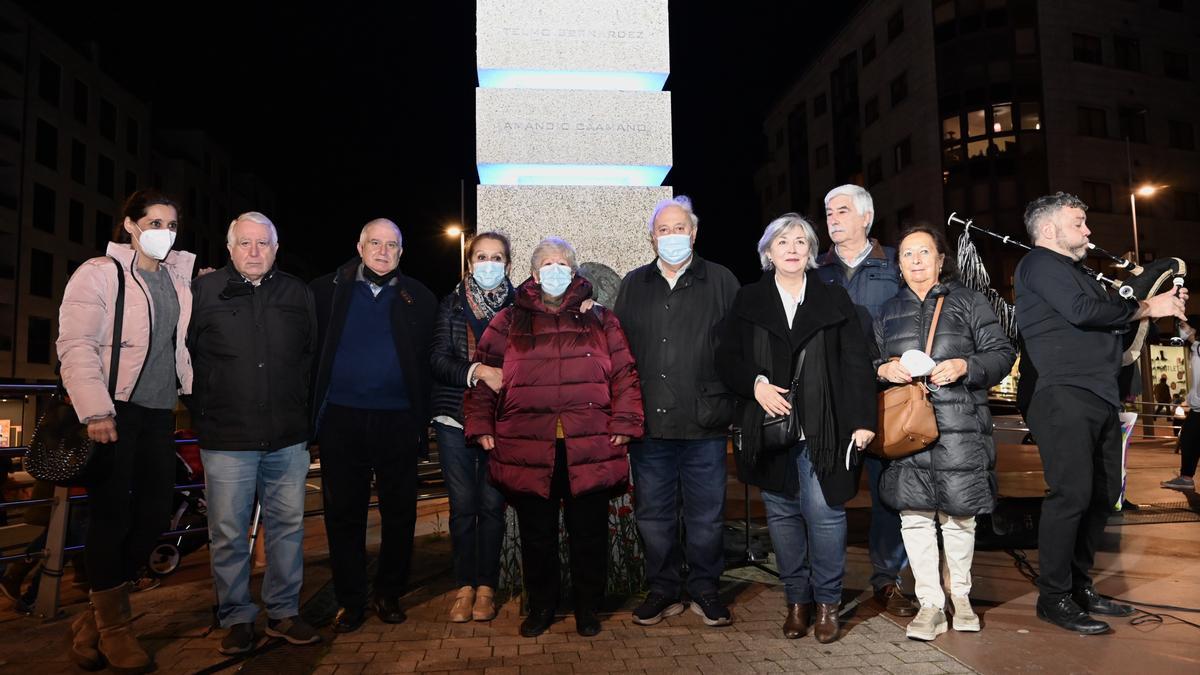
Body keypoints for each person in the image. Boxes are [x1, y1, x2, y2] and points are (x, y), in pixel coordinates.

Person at [1014, 192, 1188, 634]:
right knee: (1070, 494)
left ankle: (1079, 586)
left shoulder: (1079, 272)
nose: (1088, 231)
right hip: (1061, 394)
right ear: (1050, 230)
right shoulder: (1039, 264)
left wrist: (1153, 301)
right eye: (1079, 222)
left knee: (1101, 495)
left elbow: (1114, 315)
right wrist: (1150, 306)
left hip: (1099, 394)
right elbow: (1083, 311)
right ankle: (1053, 597)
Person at [463, 238, 644, 638]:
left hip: (589, 444)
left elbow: (624, 374)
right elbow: (484, 376)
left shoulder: (601, 319)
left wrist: (626, 424)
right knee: (537, 535)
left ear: (575, 271)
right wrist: (480, 426)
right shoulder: (509, 320)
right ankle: (543, 606)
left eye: (563, 263)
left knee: (589, 533)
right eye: (547, 263)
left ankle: (587, 607)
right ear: (533, 272)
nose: (555, 269)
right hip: (528, 444)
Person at [716, 214, 876, 644]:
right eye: (782, 241)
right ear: (768, 252)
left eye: (801, 241)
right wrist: (757, 384)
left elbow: (856, 362)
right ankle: (796, 603)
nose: (792, 248)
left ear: (810, 253)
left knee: (825, 515)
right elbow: (727, 357)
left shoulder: (834, 299)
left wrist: (863, 420)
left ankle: (827, 603)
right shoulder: (749, 300)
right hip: (770, 428)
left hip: (827, 429)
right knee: (783, 518)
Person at [57, 190, 191, 673]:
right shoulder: (100, 273)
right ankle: (115, 630)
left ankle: (93, 621)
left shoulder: (178, 279)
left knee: (157, 515)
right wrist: (95, 411)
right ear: (131, 225)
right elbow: (75, 344)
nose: (165, 232)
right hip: (113, 411)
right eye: (155, 222)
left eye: (173, 225)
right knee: (110, 518)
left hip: (159, 414)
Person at [874, 224, 1015, 640]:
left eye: (923, 253)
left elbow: (1003, 353)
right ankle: (930, 604)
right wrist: (883, 369)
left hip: (961, 428)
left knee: (959, 518)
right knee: (914, 517)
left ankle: (963, 598)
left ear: (940, 260)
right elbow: (866, 362)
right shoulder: (886, 311)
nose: (915, 262)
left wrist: (966, 366)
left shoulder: (969, 302)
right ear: (899, 265)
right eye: (907, 255)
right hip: (907, 431)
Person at [188, 211, 321, 654]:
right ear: (229, 248)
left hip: (287, 436)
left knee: (287, 529)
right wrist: (203, 408)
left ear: (276, 248)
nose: (254, 251)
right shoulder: (203, 291)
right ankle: (237, 616)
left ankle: (283, 612)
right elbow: (183, 355)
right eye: (245, 243)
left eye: (263, 243)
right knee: (227, 532)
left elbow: (311, 358)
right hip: (227, 437)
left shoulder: (297, 292)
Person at [613, 196, 740, 627]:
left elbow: (738, 348)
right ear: (652, 238)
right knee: (654, 516)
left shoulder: (721, 280)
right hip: (649, 426)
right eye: (663, 230)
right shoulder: (633, 284)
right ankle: (663, 587)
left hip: (704, 422)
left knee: (706, 516)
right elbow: (619, 351)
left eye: (679, 228)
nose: (672, 236)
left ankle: (705, 587)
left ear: (694, 233)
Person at [309, 219, 437, 632]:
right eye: (375, 243)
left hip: (398, 419)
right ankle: (351, 599)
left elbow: (430, 361)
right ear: (359, 246)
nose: (383, 251)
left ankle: (388, 592)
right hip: (341, 419)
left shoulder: (419, 296)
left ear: (402, 252)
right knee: (343, 515)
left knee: (399, 512)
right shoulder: (325, 290)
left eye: (392, 245)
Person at [815, 184, 914, 617]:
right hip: (828, 404)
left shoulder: (896, 265)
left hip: (886, 399)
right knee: (823, 500)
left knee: (888, 495)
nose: (832, 219)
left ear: (866, 218)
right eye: (827, 212)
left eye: (841, 211)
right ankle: (825, 590)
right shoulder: (815, 270)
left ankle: (887, 580)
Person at [430, 232, 514, 623]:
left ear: (509, 265)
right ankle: (464, 584)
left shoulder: (520, 309)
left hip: (502, 421)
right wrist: (477, 370)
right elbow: (438, 359)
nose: (489, 263)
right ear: (469, 263)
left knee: (493, 506)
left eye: (497, 257)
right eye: (482, 256)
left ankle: (487, 587)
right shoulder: (450, 305)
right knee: (463, 508)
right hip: (454, 420)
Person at [1162, 315, 1199, 491]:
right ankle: (1186, 478)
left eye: (1184, 326)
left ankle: (1186, 478)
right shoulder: (1195, 348)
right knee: (1189, 439)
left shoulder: (1199, 349)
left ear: (1194, 329)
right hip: (1197, 408)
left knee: (1189, 439)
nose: (1181, 329)